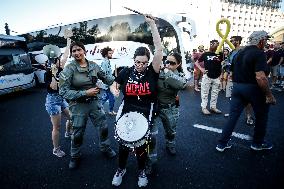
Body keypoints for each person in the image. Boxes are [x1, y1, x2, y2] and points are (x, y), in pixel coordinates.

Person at [110, 14, 163, 187]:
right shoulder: (126, 71)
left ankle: (141, 170)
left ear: (148, 62)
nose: (140, 65)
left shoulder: (152, 71)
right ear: (134, 60)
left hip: (147, 112)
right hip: (128, 110)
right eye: (138, 62)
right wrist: (115, 90)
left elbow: (159, 49)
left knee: (143, 145)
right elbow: (114, 85)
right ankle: (121, 168)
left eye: (144, 62)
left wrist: (152, 24)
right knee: (124, 143)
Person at [59, 41, 117, 169]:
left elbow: (108, 78)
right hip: (78, 105)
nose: (76, 53)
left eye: (79, 49)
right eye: (73, 51)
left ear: (84, 51)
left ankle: (105, 147)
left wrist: (120, 81)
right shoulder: (69, 69)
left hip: (94, 102)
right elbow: (63, 91)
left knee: (103, 127)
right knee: (78, 133)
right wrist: (85, 92)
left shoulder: (94, 66)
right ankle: (75, 156)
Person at [216, 31, 276, 152]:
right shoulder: (259, 53)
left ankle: (221, 144)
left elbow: (231, 70)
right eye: (266, 40)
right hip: (253, 88)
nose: (266, 43)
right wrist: (269, 95)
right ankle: (257, 143)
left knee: (233, 116)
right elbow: (260, 77)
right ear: (261, 41)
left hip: (237, 87)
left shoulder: (239, 52)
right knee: (261, 116)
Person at [145, 52, 187, 174]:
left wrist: (167, 72)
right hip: (155, 108)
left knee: (171, 131)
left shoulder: (179, 75)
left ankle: (170, 144)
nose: (167, 64)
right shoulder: (158, 71)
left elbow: (181, 84)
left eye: (172, 63)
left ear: (178, 64)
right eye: (166, 61)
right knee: (150, 136)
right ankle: (150, 161)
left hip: (170, 108)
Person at [44, 36, 72, 158]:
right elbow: (54, 88)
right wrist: (54, 74)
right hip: (53, 101)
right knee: (57, 126)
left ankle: (68, 133)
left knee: (71, 117)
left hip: (61, 99)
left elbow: (66, 53)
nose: (61, 60)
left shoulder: (61, 67)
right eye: (58, 60)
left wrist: (68, 40)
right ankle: (56, 149)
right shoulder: (48, 74)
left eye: (59, 59)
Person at [225, 36, 255, 126]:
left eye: (232, 40)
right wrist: (226, 66)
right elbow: (229, 64)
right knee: (231, 97)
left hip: (243, 79)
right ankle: (232, 113)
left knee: (247, 100)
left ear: (237, 41)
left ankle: (249, 116)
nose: (230, 42)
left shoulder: (243, 51)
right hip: (232, 78)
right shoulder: (231, 52)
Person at [195, 40, 223, 115]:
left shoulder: (220, 54)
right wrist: (201, 69)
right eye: (211, 43)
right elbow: (196, 62)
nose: (212, 45)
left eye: (214, 43)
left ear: (218, 45)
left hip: (217, 76)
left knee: (215, 93)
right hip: (207, 76)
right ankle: (204, 108)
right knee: (204, 93)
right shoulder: (206, 54)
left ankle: (213, 107)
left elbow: (222, 64)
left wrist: (221, 75)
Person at [99, 46, 117, 115]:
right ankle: (110, 110)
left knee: (106, 97)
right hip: (108, 83)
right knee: (112, 97)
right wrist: (109, 84)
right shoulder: (104, 63)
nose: (111, 55)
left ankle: (98, 108)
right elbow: (104, 75)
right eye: (110, 53)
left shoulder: (107, 61)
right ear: (106, 54)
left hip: (109, 83)